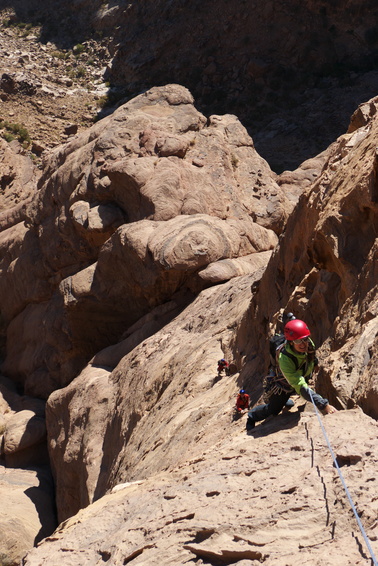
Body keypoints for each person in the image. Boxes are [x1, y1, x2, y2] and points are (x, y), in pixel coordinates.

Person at [246, 319, 337, 430]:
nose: (303, 344)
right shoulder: (285, 359)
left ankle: (286, 400)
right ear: (291, 342)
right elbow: (299, 385)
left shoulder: (308, 344)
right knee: (273, 410)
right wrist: (323, 405)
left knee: (294, 393)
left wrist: (315, 364)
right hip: (283, 386)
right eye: (298, 341)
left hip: (299, 377)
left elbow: (312, 355)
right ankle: (252, 417)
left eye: (305, 339)